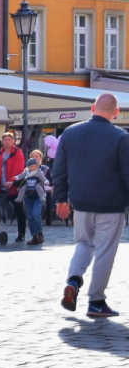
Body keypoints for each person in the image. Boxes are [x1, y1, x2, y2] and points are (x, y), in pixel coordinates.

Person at [54, 92, 129, 318]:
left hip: (81, 203)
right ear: (116, 112)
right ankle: (96, 301)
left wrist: (60, 199)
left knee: (83, 244)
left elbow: (59, 170)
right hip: (111, 204)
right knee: (105, 251)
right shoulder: (121, 137)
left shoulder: (70, 133)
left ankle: (73, 280)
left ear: (93, 107)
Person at [15, 152, 51, 246]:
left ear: (41, 158)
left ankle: (40, 233)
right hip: (28, 196)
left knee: (36, 214)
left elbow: (49, 181)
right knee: (30, 217)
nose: (35, 158)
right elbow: (22, 179)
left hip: (39, 196)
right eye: (32, 156)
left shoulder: (44, 169)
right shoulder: (26, 170)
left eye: (37, 156)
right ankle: (34, 237)